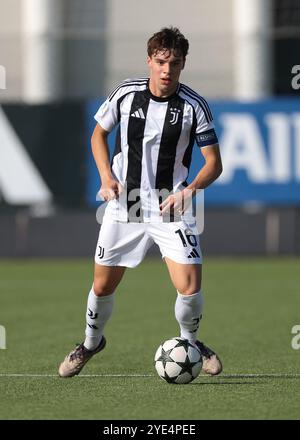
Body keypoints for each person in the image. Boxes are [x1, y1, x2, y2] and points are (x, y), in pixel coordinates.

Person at [58, 27, 223, 378]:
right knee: (102, 286)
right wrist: (105, 176)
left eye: (175, 63)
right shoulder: (126, 95)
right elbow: (98, 134)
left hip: (170, 204)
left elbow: (214, 164)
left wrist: (189, 191)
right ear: (149, 60)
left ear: (182, 65)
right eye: (161, 62)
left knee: (190, 286)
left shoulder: (194, 106)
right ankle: (91, 342)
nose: (167, 70)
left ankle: (190, 343)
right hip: (126, 202)